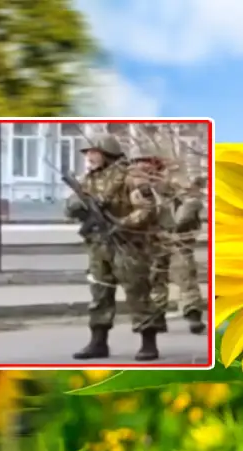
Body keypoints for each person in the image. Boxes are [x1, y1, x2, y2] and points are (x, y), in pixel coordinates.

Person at [65, 134, 161, 361]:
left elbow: (147, 209)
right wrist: (78, 204)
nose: (89, 156)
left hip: (128, 245)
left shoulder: (130, 176)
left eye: (93, 152)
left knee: (138, 293)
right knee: (99, 294)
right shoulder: (88, 179)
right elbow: (69, 209)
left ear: (106, 152)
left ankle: (148, 343)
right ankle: (98, 342)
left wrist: (121, 224)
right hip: (99, 245)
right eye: (87, 153)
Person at [130, 146, 207, 335]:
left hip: (177, 240)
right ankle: (158, 317)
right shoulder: (136, 194)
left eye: (147, 167)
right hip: (153, 242)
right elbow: (136, 216)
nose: (143, 172)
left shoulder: (172, 186)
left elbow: (191, 202)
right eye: (138, 168)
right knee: (155, 280)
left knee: (185, 276)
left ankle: (193, 314)